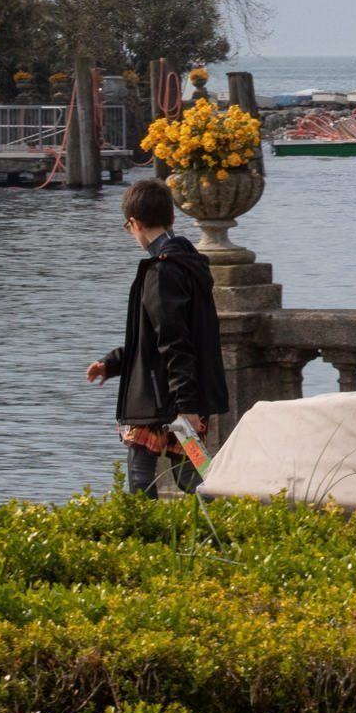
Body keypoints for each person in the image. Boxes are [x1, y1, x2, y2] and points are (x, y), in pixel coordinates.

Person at [86, 179, 229, 496]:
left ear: (134, 223)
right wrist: (111, 364)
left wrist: (186, 405)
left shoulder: (160, 271)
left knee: (143, 480)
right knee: (192, 478)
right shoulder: (191, 263)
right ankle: (223, 532)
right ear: (171, 219)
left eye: (128, 228)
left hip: (157, 400)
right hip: (182, 395)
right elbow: (155, 337)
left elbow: (174, 341)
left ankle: (149, 541)